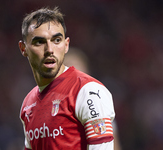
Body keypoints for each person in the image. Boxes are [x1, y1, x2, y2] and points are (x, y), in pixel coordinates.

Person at [18, 7, 115, 150]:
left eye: (56, 40)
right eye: (39, 42)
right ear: (23, 48)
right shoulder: (28, 104)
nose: (49, 49)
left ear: (66, 45)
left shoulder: (87, 91)